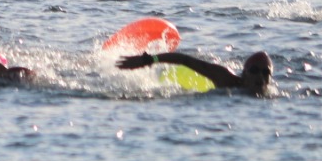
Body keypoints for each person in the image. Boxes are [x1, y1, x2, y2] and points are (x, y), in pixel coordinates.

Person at [117, 50, 273, 96]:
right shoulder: (226, 79)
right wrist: (150, 60)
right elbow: (185, 60)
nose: (260, 76)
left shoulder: (273, 97)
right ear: (244, 74)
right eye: (254, 71)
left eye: (265, 72)